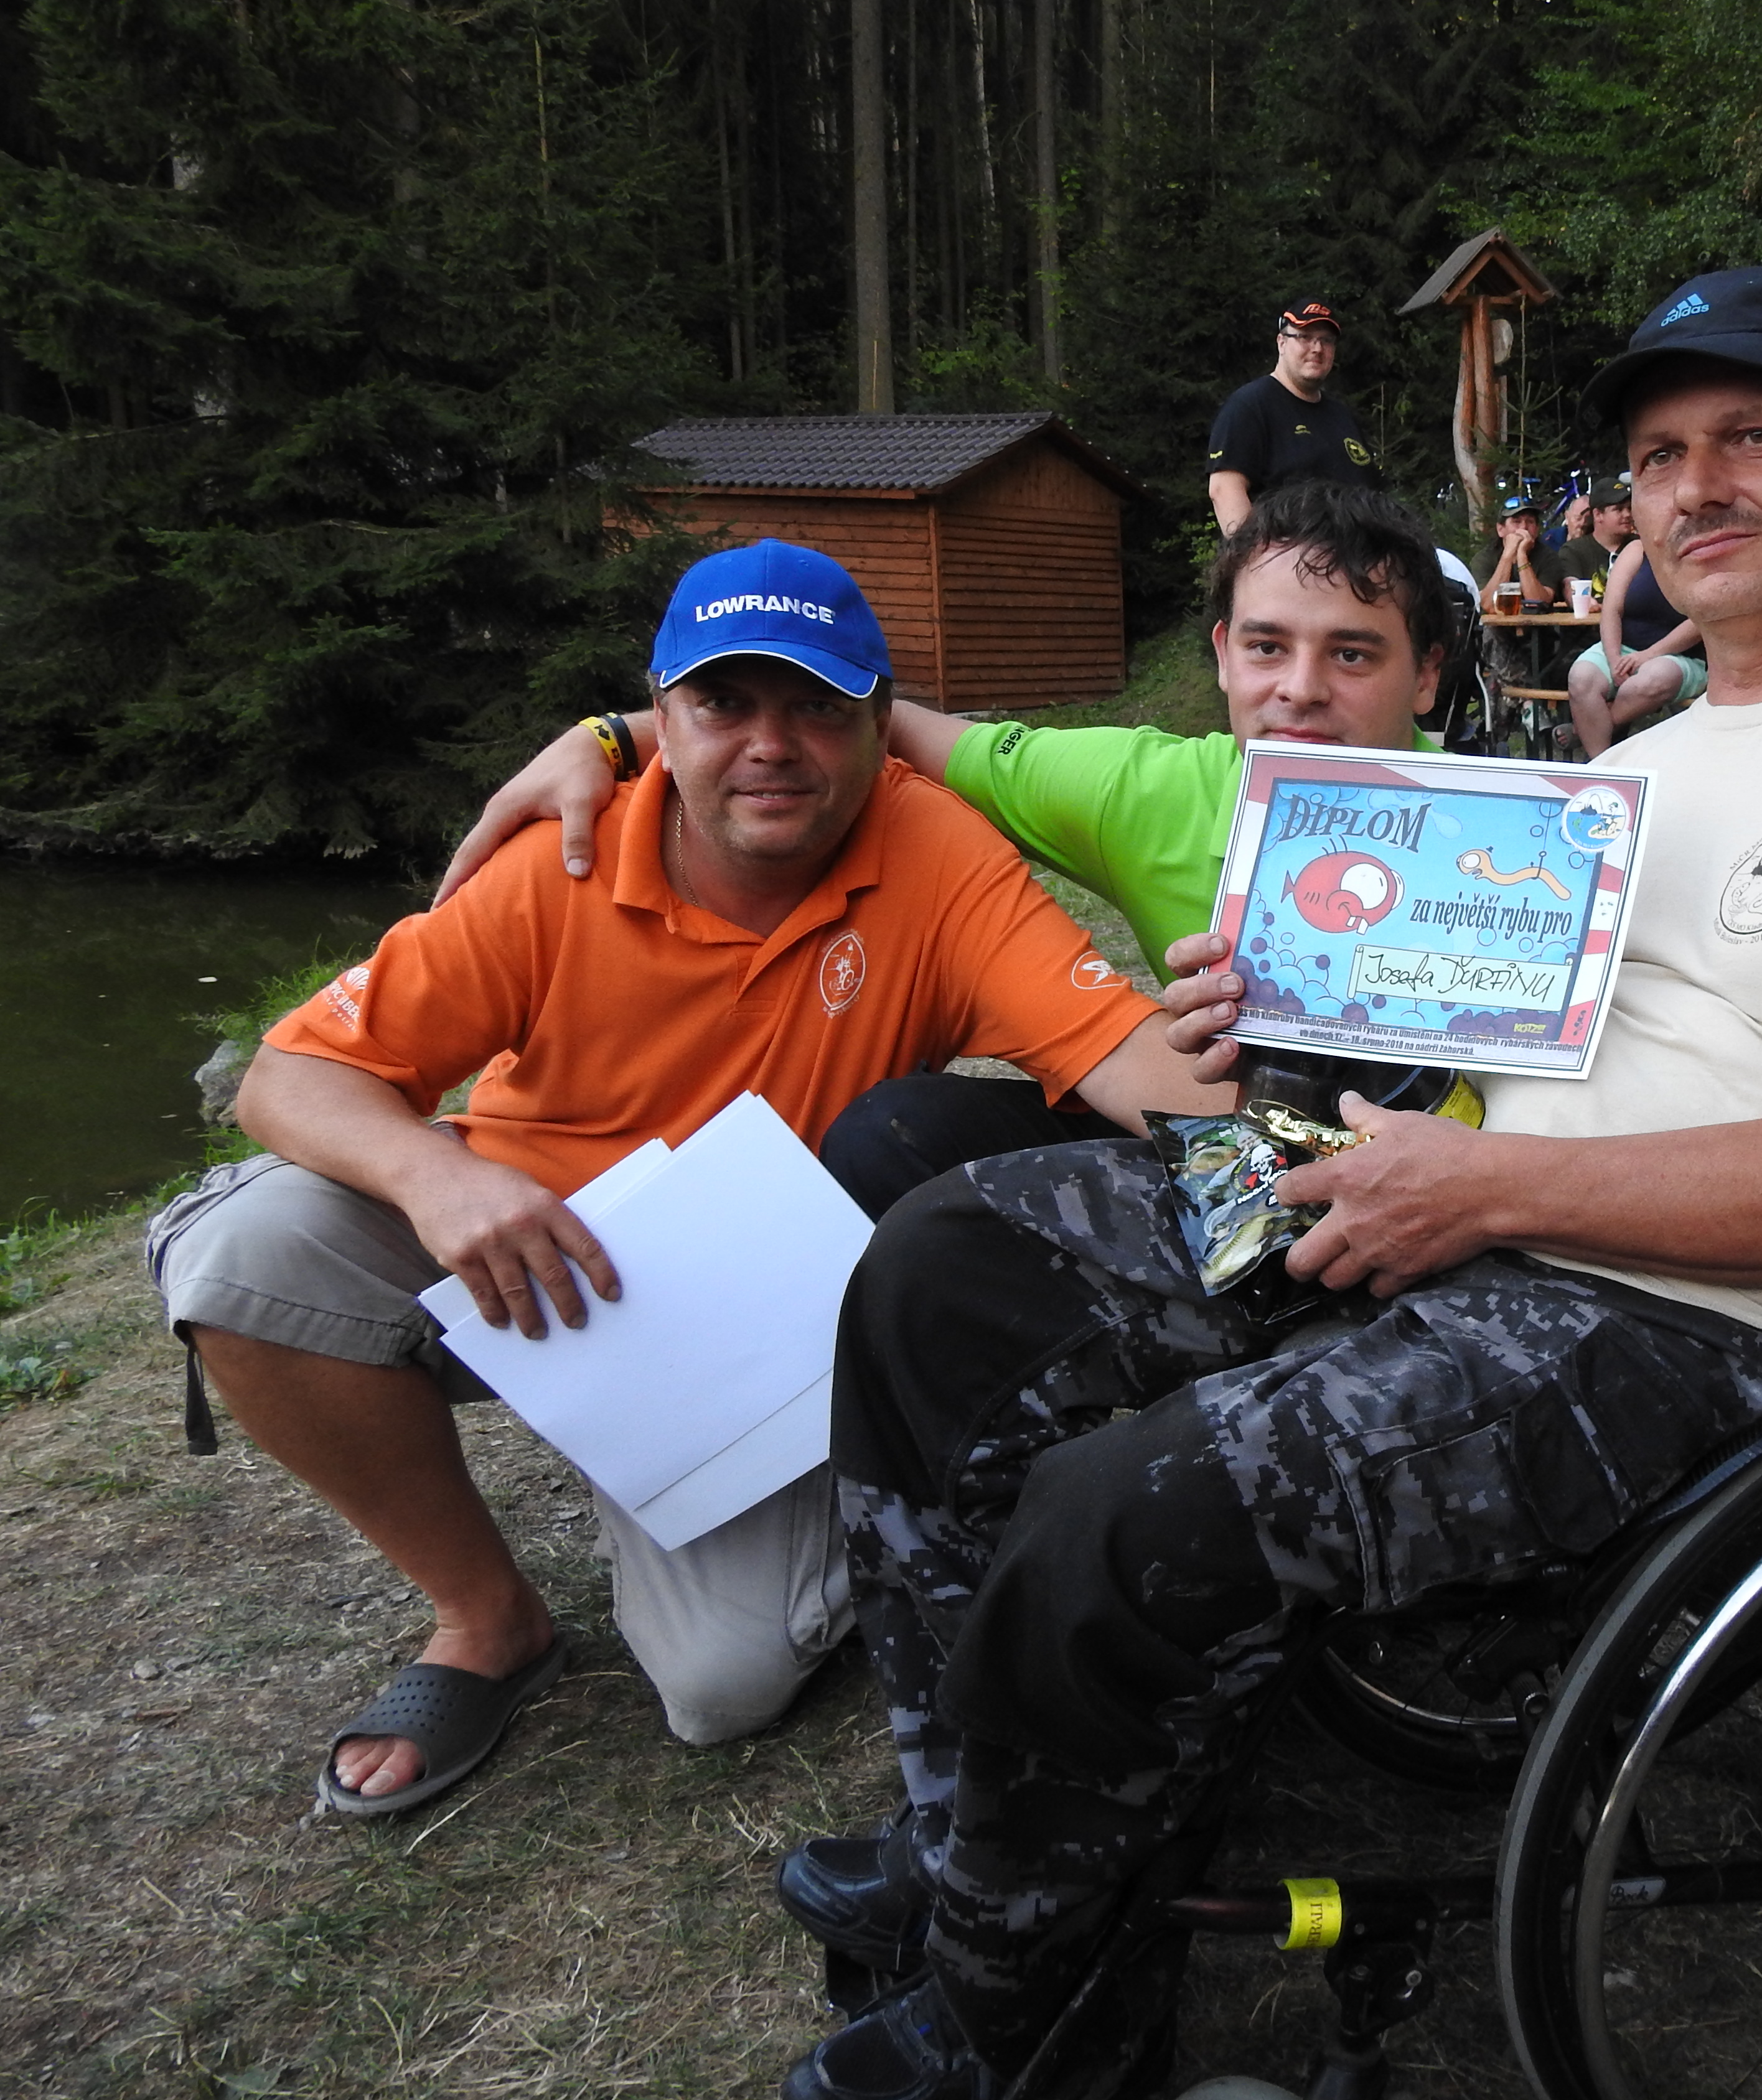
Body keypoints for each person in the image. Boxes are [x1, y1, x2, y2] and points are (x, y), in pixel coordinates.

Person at [768, 264, 1762, 2100]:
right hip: (1466, 1201)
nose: (1697, 486)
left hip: (1711, 1326)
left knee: (1126, 1517)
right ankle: (986, 1851)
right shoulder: (1645, 762)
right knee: (942, 1269)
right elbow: (1493, 1036)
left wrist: (1488, 1192)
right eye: (1661, 455)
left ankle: (1024, 2031)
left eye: (1754, 436)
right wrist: (1289, 1002)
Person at [147, 541, 1227, 1818]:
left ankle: (692, 1478)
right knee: (243, 1252)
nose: (771, 745)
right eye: (724, 704)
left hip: (737, 1337)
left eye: (816, 705)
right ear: (661, 717)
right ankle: (486, 1620)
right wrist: (434, 1176)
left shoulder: (937, 853)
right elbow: (286, 1078)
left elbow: (1128, 1062)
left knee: (724, 1689)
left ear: (878, 724)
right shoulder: (562, 855)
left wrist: (1355, 1124)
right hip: (514, 1249)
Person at [439, 483, 1460, 1220]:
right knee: (900, 1129)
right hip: (1254, 1137)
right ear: (1224, 658)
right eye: (1268, 646)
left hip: (1488, 1161)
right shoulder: (1136, 789)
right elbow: (864, 721)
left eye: (1353, 653)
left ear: (1426, 676)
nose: (1300, 690)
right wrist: (624, 737)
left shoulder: (1523, 830)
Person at [1204, 297, 1379, 535]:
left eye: (1326, 340)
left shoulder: (1343, 416)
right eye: (1305, 337)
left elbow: (1373, 495)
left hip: (1354, 554)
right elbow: (1224, 490)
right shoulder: (1249, 407)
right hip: (1287, 555)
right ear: (1282, 343)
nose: (1317, 349)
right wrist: (1256, 555)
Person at [1565, 528, 1706, 757]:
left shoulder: (1701, 552)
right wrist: (1614, 659)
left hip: (1682, 655)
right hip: (1623, 647)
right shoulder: (1636, 550)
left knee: (1654, 678)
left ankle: (1586, 730)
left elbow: (1700, 621)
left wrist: (1648, 655)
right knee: (1581, 677)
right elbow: (1611, 610)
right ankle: (1601, 765)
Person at [1477, 493, 1562, 607]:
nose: (1524, 528)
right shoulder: (1485, 558)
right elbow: (1488, 605)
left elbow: (1538, 604)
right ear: (1501, 529)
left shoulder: (1549, 557)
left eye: (1530, 522)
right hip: (1497, 619)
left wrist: (1522, 556)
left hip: (1536, 619)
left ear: (1537, 529)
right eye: (1516, 522)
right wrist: (1508, 556)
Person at [1557, 476, 1636, 586]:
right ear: (1598, 515)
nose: (1628, 514)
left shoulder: (1642, 547)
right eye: (1619, 509)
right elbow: (1571, 588)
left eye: (1629, 508)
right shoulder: (1574, 551)